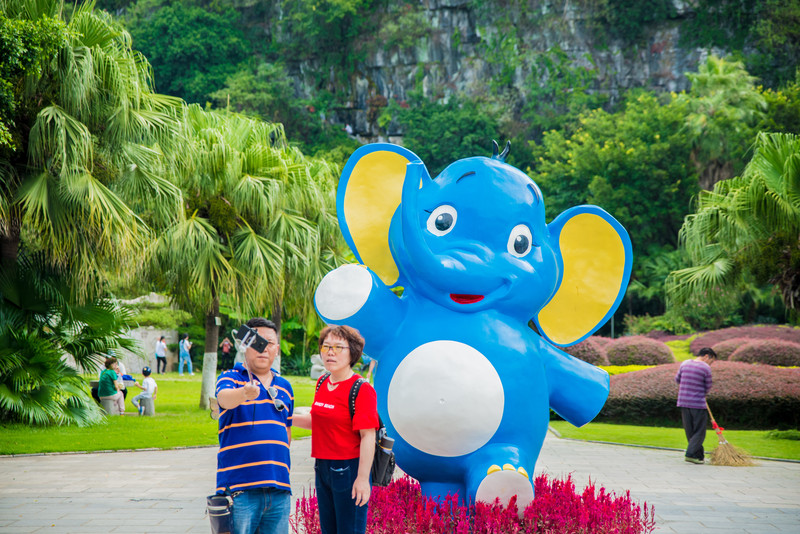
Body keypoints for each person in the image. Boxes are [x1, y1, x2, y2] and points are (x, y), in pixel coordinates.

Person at [293, 325, 379, 534]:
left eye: (338, 347)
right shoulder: (322, 382)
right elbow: (317, 421)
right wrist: (285, 418)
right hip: (322, 466)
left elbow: (368, 435)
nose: (330, 352)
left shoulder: (361, 389)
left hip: (348, 469)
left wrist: (362, 479)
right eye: (326, 347)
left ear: (353, 353)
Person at [215, 318, 294, 534]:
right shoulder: (231, 377)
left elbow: (286, 432)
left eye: (270, 343)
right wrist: (244, 393)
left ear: (277, 349)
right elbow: (223, 399)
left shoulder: (285, 387)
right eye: (257, 341)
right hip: (240, 490)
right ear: (245, 344)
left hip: (278, 489)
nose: (264, 348)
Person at [675, 347, 717, 464]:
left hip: (683, 402)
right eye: (711, 361)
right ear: (707, 356)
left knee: (690, 431)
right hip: (698, 403)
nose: (711, 364)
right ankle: (690, 454)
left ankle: (698, 456)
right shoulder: (705, 367)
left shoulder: (685, 363)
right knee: (699, 431)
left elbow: (677, 379)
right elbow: (708, 386)